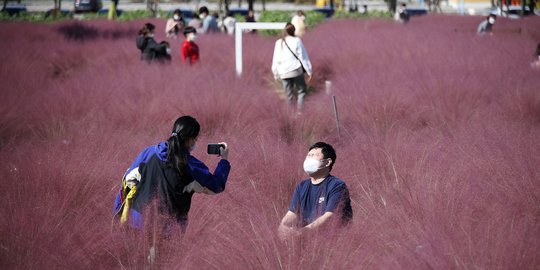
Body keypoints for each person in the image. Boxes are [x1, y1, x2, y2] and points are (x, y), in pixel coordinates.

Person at [113, 115, 231, 233]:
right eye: (196, 138)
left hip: (137, 222)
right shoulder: (191, 164)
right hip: (169, 231)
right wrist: (224, 160)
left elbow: (128, 179)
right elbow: (215, 186)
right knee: (161, 252)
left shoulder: (149, 152)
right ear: (190, 139)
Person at [278, 142, 353, 240]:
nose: (309, 159)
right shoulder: (302, 186)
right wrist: (283, 227)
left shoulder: (337, 186)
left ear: (327, 162)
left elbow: (329, 217)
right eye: (308, 156)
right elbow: (292, 213)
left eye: (313, 155)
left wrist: (302, 232)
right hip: (305, 242)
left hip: (330, 243)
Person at [271, 23, 313, 115]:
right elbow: (303, 57)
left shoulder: (279, 42)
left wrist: (275, 73)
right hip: (296, 70)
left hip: (283, 72)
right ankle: (299, 113)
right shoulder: (297, 41)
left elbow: (275, 59)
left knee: (288, 95)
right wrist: (309, 71)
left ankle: (289, 115)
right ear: (294, 31)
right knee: (301, 91)